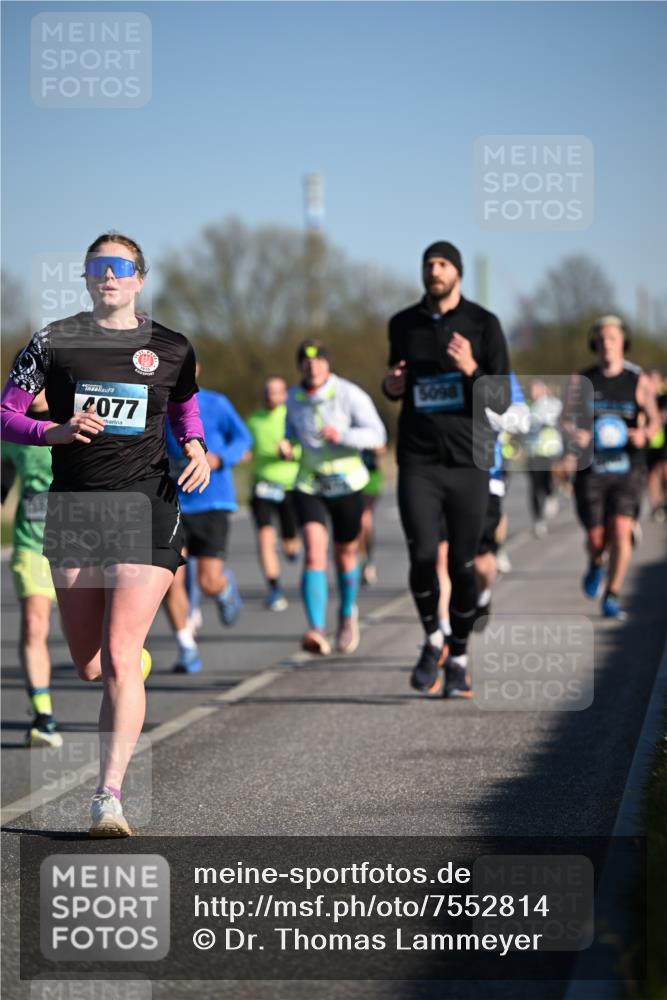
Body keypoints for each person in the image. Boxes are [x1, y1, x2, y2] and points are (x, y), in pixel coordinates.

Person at [0, 232, 210, 836]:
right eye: (97, 268)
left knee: (118, 656)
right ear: (87, 279)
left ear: (140, 278)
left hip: (146, 503)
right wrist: (54, 433)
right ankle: (129, 665)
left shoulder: (171, 346)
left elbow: (183, 404)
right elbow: (7, 413)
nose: (108, 276)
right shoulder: (53, 341)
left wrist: (195, 446)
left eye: (119, 267)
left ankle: (107, 797)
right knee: (90, 664)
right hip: (75, 511)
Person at [383, 241, 510, 698]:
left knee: (462, 564)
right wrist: (390, 386)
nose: (433, 271)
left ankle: (457, 654)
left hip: (469, 459)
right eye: (428, 264)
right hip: (417, 460)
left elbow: (501, 399)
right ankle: (433, 638)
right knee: (421, 557)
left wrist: (472, 367)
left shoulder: (483, 324)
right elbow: (397, 380)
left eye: (441, 264)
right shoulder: (403, 324)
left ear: (456, 272)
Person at [281, 340, 386, 655]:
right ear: (300, 366)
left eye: (319, 361)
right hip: (310, 483)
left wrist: (345, 436)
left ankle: (346, 613)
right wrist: (287, 445)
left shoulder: (348, 394)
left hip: (347, 484)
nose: (312, 367)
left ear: (328, 365)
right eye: (306, 362)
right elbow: (290, 431)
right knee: (314, 551)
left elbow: (378, 435)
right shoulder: (294, 398)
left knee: (345, 554)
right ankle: (315, 629)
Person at [561, 316, 659, 620]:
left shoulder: (638, 379)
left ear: (623, 342)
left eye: (613, 338)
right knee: (596, 539)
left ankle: (613, 594)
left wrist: (644, 434)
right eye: (601, 339)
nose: (607, 344)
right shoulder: (582, 380)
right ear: (595, 344)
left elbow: (655, 421)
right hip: (591, 469)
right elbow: (563, 419)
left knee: (620, 529)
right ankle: (595, 563)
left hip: (628, 466)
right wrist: (573, 433)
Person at [163, 365, 251, 672]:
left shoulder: (216, 403)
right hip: (170, 503)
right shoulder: (155, 407)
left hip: (212, 502)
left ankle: (223, 589)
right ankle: (186, 647)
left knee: (207, 581)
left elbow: (244, 438)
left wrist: (220, 457)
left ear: (196, 369)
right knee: (168, 581)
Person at [2, 388, 61, 747]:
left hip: (84, 545)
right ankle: (43, 716)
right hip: (31, 543)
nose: (32, 389)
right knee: (34, 623)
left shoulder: (82, 415)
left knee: (100, 642)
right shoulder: (10, 429)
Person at [246, 376, 301, 612]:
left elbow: (305, 445)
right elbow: (246, 447)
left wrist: (291, 452)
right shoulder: (253, 420)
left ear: (285, 394)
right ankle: (274, 589)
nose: (271, 396)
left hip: (289, 486)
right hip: (262, 486)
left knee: (291, 545)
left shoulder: (293, 417)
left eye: (277, 392)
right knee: (264, 539)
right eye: (268, 391)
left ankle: (290, 547)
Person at [523, 378, 563, 537]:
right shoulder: (527, 406)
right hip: (533, 453)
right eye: (531, 389)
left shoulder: (553, 404)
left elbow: (559, 420)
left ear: (543, 389)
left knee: (548, 482)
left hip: (550, 451)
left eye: (536, 388)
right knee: (533, 487)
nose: (534, 392)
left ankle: (551, 495)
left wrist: (546, 422)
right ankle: (538, 521)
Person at [359, 446, 386, 586]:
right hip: (344, 476)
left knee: (364, 520)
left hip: (369, 478)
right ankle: (355, 561)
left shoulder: (370, 423)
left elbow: (382, 448)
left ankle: (366, 563)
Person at [646, 369, 667, 522]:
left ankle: (664, 502)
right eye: (650, 379)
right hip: (652, 442)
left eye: (655, 380)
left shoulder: (664, 397)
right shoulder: (646, 398)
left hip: (665, 440)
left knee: (665, 471)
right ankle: (656, 505)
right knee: (652, 473)